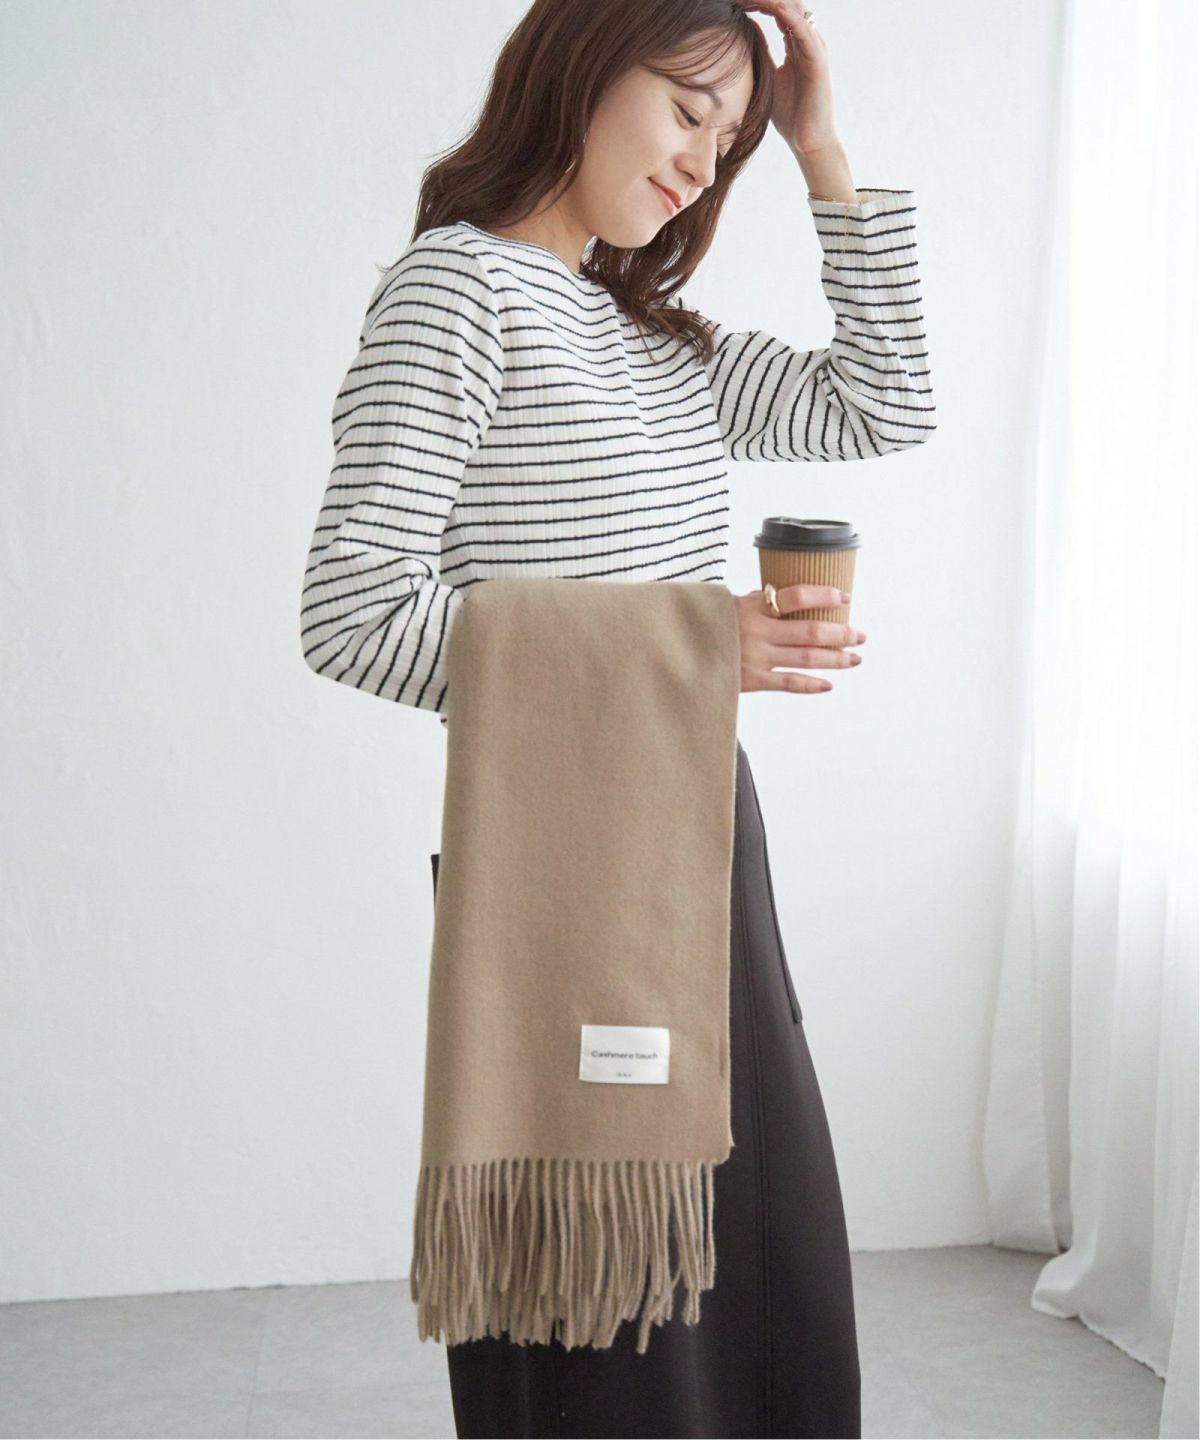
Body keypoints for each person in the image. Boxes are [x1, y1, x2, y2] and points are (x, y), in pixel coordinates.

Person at [298, 0, 936, 1432]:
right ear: (580, 68)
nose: (703, 163)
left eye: (730, 141)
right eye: (685, 111)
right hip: (565, 856)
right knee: (612, 1307)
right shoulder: (458, 292)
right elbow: (352, 612)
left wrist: (820, 150)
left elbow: (886, 404)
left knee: (757, 1258)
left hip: (707, 829)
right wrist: (696, 645)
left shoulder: (661, 338)